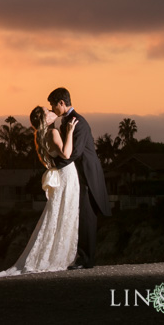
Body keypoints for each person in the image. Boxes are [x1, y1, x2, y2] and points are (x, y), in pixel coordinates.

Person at [0, 106, 80, 278]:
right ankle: (58, 257)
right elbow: (66, 154)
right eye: (47, 111)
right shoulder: (52, 133)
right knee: (65, 213)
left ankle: (56, 254)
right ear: (46, 119)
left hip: (62, 175)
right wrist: (71, 131)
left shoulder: (41, 135)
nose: (51, 111)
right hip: (67, 175)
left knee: (58, 214)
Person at [47, 86, 111, 269]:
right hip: (77, 175)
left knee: (87, 218)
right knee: (79, 217)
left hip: (88, 175)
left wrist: (54, 166)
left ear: (61, 102)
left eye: (53, 104)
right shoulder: (67, 121)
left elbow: (75, 152)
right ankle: (79, 257)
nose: (52, 108)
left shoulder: (79, 122)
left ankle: (87, 260)